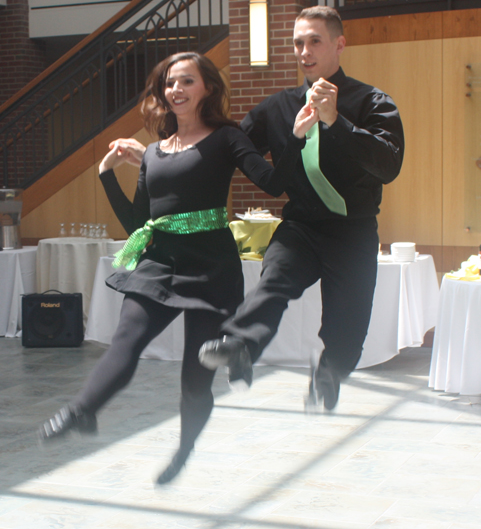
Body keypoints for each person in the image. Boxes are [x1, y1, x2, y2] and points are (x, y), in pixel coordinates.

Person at [38, 51, 316, 483]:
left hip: (210, 267)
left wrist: (298, 138)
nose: (176, 90)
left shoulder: (226, 139)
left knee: (194, 378)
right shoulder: (152, 153)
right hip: (158, 262)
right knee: (126, 341)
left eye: (187, 81)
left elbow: (274, 184)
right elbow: (137, 222)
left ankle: (184, 451)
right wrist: (106, 174)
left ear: (207, 88)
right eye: (170, 83)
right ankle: (82, 411)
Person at [199, 6, 405, 411]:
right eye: (298, 42)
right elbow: (233, 148)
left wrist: (336, 121)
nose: (304, 50)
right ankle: (239, 345)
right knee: (274, 280)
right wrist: (178, 151)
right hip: (301, 226)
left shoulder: (371, 101)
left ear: (339, 45)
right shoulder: (276, 107)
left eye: (314, 41)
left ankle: (330, 374)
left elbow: (389, 164)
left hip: (353, 230)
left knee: (347, 332)